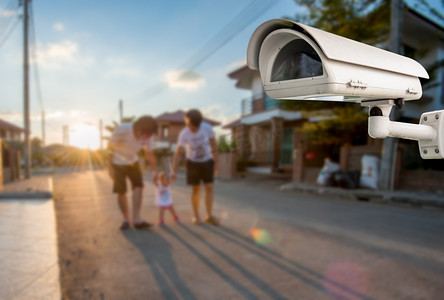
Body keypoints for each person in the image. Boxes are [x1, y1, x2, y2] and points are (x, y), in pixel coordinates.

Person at [107, 115, 158, 230]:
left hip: (133, 161)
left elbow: (149, 153)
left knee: (138, 187)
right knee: (121, 191)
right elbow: (110, 147)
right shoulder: (122, 129)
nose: (146, 137)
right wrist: (110, 167)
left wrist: (155, 171)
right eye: (144, 134)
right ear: (138, 127)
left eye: (149, 135)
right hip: (117, 162)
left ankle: (136, 219)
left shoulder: (148, 136)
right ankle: (126, 219)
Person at [171, 109, 219, 225]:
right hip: (192, 162)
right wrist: (173, 169)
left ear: (198, 123)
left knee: (209, 187)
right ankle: (196, 216)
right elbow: (178, 152)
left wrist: (216, 164)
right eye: (189, 124)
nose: (191, 128)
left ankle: (209, 215)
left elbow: (214, 144)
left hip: (207, 161)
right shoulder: (184, 133)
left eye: (193, 126)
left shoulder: (207, 128)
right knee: (195, 189)